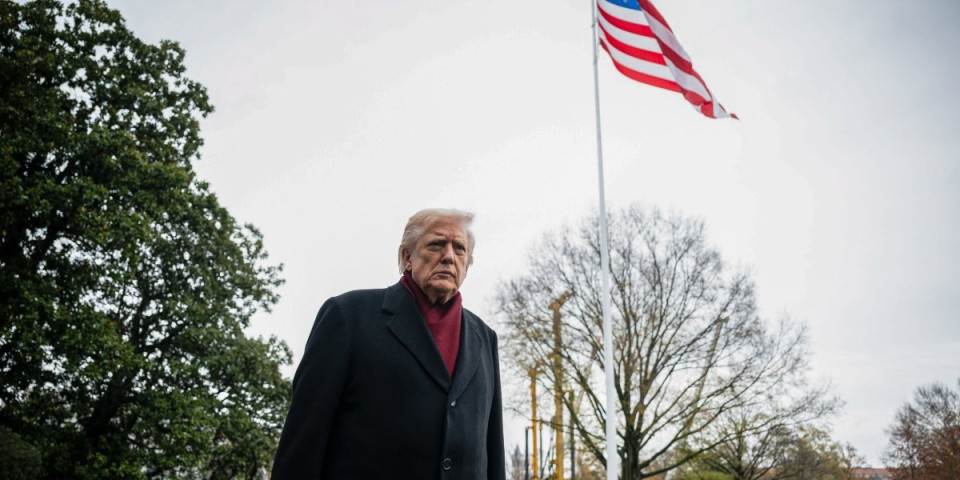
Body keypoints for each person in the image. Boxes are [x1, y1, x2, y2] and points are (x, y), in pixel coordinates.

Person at [271, 208, 506, 480]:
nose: (449, 256)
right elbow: (303, 444)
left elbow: (492, 453)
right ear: (407, 257)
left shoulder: (484, 338)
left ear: (467, 264)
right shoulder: (348, 317)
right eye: (436, 245)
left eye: (460, 249)